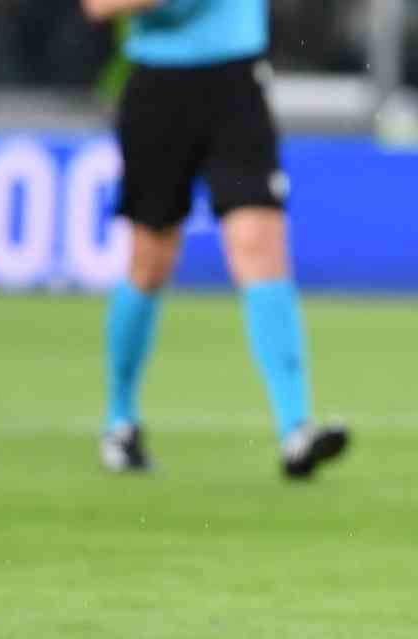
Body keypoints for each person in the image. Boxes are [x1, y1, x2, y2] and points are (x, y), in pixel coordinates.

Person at [82, 0, 348, 479]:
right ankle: (119, 422)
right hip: (158, 86)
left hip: (235, 82)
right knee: (149, 261)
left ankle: (295, 429)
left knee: (260, 249)